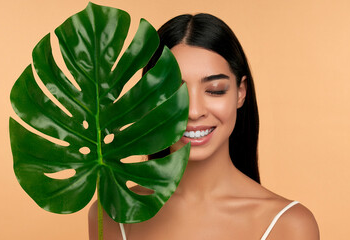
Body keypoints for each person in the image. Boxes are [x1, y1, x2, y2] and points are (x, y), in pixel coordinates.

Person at [89, 13, 319, 240]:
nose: (194, 111)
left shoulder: (289, 225)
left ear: (241, 92)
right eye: (172, 92)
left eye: (215, 90)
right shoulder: (112, 214)